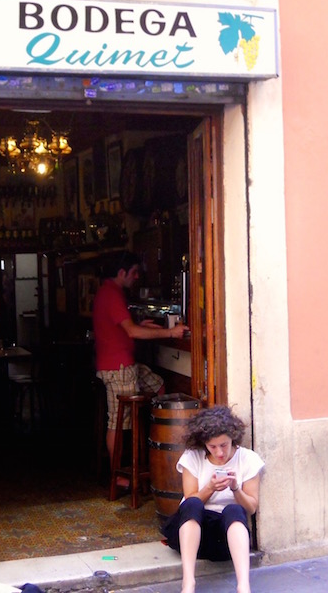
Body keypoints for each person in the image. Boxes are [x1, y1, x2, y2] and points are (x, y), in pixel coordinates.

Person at [92, 251, 187, 480]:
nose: (137, 277)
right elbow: (132, 332)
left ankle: (155, 450)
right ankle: (118, 475)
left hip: (125, 365)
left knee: (159, 386)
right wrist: (170, 331)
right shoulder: (112, 294)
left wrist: (141, 324)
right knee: (117, 420)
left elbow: (126, 328)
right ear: (122, 272)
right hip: (118, 367)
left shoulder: (109, 292)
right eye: (134, 273)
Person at [161, 406, 265, 593]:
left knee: (234, 510)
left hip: (225, 538)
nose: (219, 452)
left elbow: (251, 508)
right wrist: (209, 488)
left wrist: (236, 489)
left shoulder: (248, 459)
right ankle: (188, 583)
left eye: (224, 445)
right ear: (204, 444)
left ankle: (244, 586)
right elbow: (189, 499)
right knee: (192, 503)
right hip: (192, 534)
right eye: (213, 446)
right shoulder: (192, 457)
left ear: (233, 438)